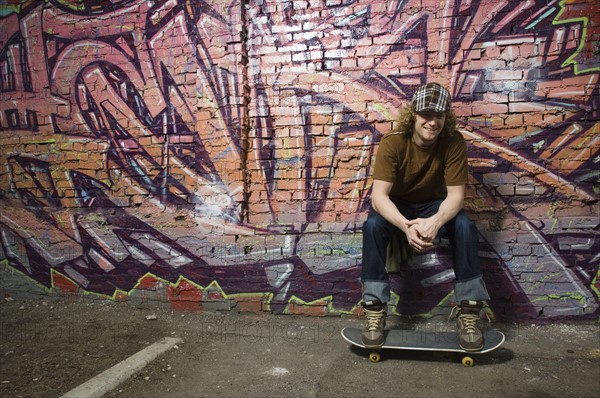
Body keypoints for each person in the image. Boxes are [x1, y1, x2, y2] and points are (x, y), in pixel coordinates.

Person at [360, 82, 490, 352]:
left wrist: (434, 223)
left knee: (464, 225)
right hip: (398, 207)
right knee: (372, 224)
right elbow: (379, 197)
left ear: (446, 117)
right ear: (414, 115)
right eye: (426, 115)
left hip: (434, 206)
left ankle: (469, 313)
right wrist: (406, 227)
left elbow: (455, 197)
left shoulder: (453, 142)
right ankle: (374, 310)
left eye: (439, 116)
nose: (432, 122)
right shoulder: (393, 142)